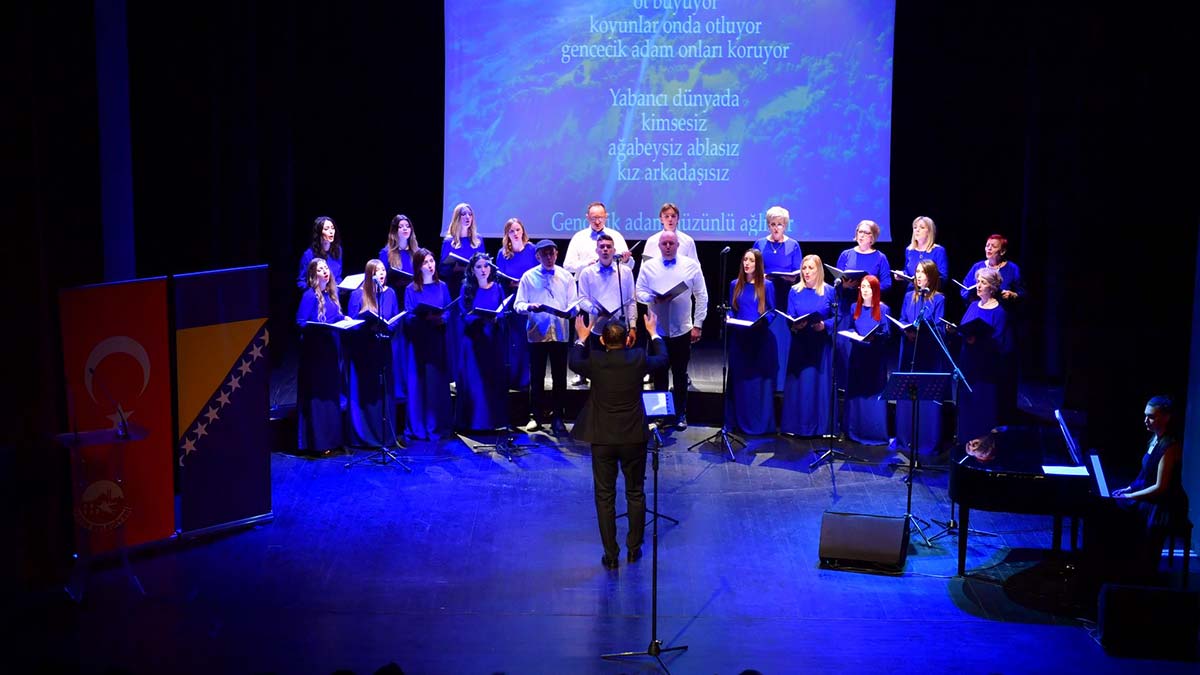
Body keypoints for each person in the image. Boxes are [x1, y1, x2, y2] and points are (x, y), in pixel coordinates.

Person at [568, 310, 668, 569]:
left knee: (604, 495)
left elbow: (574, 362)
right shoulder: (637, 358)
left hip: (602, 438)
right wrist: (653, 332)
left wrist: (581, 337)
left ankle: (610, 555)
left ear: (602, 341)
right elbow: (663, 359)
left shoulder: (596, 361)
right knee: (635, 492)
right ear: (628, 341)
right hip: (633, 437)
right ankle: (634, 549)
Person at [1107, 395, 1190, 580]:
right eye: (1146, 415)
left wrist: (1132, 497)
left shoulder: (1171, 447)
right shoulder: (1153, 439)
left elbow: (1161, 488)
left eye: (1151, 416)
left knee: (1128, 511)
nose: (1146, 420)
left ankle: (1140, 570)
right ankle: (1118, 562)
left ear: (1166, 417)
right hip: (1152, 497)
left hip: (1165, 503)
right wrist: (1129, 489)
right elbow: (1145, 475)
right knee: (1114, 505)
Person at [635, 230, 708, 430]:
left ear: (677, 245)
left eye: (671, 243)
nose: (668, 246)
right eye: (664, 243)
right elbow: (639, 291)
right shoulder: (649, 266)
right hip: (657, 330)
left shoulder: (690, 266)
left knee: (679, 373)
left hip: (682, 328)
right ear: (659, 245)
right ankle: (660, 415)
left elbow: (701, 295)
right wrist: (651, 297)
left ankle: (680, 414)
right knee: (659, 374)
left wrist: (698, 324)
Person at [514, 239, 578, 435]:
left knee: (560, 377)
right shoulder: (528, 277)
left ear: (557, 254)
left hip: (559, 333)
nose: (549, 257)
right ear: (538, 256)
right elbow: (518, 304)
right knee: (537, 377)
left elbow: (574, 304)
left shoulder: (566, 276)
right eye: (545, 254)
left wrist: (570, 312)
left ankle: (558, 416)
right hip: (537, 333)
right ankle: (536, 416)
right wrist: (529, 307)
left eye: (552, 253)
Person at [892, 260, 947, 455]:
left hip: (928, 353)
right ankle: (904, 439)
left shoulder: (939, 299)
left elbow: (940, 327)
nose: (919, 276)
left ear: (931, 276)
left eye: (923, 272)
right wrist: (906, 330)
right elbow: (902, 320)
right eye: (917, 272)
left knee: (925, 397)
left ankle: (925, 441)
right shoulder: (909, 296)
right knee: (907, 396)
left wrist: (923, 331)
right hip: (909, 351)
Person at [344, 259, 401, 448]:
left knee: (383, 392)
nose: (382, 274)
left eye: (383, 270)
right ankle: (365, 435)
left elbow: (394, 319)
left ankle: (384, 436)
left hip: (382, 349)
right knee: (366, 393)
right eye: (377, 271)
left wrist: (387, 327)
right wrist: (368, 325)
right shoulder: (358, 295)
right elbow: (351, 324)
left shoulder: (390, 293)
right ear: (370, 275)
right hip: (364, 351)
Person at [953, 268, 1013, 443]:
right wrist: (956, 331)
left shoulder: (1000, 312)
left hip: (985, 369)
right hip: (967, 365)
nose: (978, 286)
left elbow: (999, 341)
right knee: (966, 409)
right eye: (978, 282)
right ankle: (964, 444)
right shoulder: (972, 305)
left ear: (992, 287)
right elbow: (963, 329)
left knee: (982, 409)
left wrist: (976, 340)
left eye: (983, 283)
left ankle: (982, 447)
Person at [724, 249, 777, 435]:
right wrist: (729, 317)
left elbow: (771, 312)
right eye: (745, 259)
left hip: (759, 340)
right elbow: (732, 308)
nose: (747, 263)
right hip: (740, 340)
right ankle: (737, 421)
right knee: (739, 381)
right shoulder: (734, 284)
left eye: (751, 261)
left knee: (756, 383)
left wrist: (762, 321)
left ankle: (758, 423)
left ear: (758, 264)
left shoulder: (767, 286)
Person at [295, 258, 345, 455]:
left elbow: (336, 317)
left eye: (326, 267)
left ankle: (333, 439)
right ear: (313, 274)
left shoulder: (332, 294)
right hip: (315, 354)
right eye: (320, 268)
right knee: (318, 399)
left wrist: (345, 319)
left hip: (331, 352)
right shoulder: (309, 296)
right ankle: (319, 443)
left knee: (330, 396)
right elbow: (300, 322)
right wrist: (317, 328)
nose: (325, 271)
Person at [780, 255, 834, 437]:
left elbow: (836, 317)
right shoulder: (794, 291)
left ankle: (821, 428)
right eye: (804, 268)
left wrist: (824, 326)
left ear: (818, 270)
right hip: (801, 344)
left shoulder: (829, 291)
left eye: (810, 268)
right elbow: (790, 314)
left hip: (820, 346)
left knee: (818, 385)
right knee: (800, 385)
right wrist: (795, 325)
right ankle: (796, 427)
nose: (806, 272)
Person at [403, 248, 454, 440]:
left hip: (437, 339)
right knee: (419, 384)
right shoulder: (411, 289)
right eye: (426, 262)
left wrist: (442, 319)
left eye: (432, 261)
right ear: (418, 266)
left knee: (436, 385)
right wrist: (425, 317)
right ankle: (419, 426)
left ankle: (438, 425)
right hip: (419, 342)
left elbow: (449, 310)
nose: (430, 265)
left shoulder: (443, 286)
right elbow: (408, 317)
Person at [455, 253, 509, 431]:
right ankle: (475, 423)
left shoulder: (498, 287)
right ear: (472, 270)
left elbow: (502, 310)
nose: (483, 270)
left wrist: (497, 318)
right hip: (473, 340)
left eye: (486, 266)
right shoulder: (467, 288)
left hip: (492, 339)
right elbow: (463, 313)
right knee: (475, 381)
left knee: (492, 378)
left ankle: (495, 421)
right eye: (479, 267)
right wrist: (476, 318)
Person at [754, 206, 804, 392]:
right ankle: (765, 379)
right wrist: (763, 276)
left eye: (780, 225)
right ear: (768, 225)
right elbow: (752, 267)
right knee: (765, 337)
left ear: (786, 226)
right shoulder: (759, 244)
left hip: (785, 295)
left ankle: (781, 382)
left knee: (783, 338)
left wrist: (791, 277)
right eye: (773, 224)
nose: (776, 228)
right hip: (765, 296)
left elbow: (799, 272)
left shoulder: (793, 245)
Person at [841, 274, 892, 445]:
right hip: (858, 356)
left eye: (868, 287)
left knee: (873, 394)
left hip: (875, 359)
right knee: (856, 393)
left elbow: (887, 333)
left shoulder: (883, 309)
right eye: (862, 287)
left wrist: (875, 338)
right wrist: (853, 336)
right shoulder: (854, 306)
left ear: (875, 290)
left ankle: (874, 433)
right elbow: (849, 328)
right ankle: (854, 430)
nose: (864, 290)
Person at [441, 203, 487, 379]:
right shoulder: (449, 241)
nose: (468, 217)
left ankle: (474, 371)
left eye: (470, 214)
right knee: (457, 333)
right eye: (463, 214)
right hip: (455, 290)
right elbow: (442, 269)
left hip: (474, 291)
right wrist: (455, 269)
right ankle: (456, 373)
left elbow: (483, 266)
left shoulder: (478, 240)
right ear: (457, 218)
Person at [496, 217, 538, 390]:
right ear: (507, 234)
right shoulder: (503, 253)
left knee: (527, 340)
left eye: (518, 230)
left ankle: (526, 380)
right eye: (511, 231)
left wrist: (524, 282)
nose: (515, 233)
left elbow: (539, 274)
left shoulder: (532, 249)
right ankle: (513, 378)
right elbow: (498, 278)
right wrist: (510, 283)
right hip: (511, 299)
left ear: (523, 231)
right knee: (514, 342)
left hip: (529, 299)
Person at [380, 214, 419, 401]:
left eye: (407, 226)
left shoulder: (416, 252)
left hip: (412, 299)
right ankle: (397, 387)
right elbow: (381, 279)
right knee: (397, 344)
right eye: (401, 226)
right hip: (395, 299)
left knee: (411, 344)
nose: (405, 229)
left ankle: (410, 384)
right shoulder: (386, 253)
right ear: (395, 231)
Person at [577, 233, 637, 349]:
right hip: (597, 327)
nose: (605, 249)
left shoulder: (625, 271)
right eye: (602, 247)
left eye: (609, 247)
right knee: (597, 365)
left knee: (621, 365)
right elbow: (582, 299)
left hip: (621, 329)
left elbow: (631, 301)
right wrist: (595, 310)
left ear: (614, 251)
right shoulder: (587, 273)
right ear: (596, 250)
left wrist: (633, 327)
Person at [563, 201, 634, 276]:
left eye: (600, 218)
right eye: (593, 218)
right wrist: (586, 264)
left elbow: (629, 267)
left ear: (606, 216)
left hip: (612, 282)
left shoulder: (616, 236)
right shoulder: (578, 237)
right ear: (587, 217)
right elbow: (567, 266)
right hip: (586, 282)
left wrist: (626, 261)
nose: (597, 222)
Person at [959, 233, 1023, 305]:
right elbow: (964, 289)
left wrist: (1013, 295)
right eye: (987, 246)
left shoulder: (1013, 268)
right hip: (978, 308)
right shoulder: (977, 266)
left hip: (1001, 310)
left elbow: (1022, 293)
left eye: (993, 246)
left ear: (1002, 251)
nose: (989, 248)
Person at [894, 216, 949, 293]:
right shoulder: (909, 250)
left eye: (922, 228)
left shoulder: (938, 251)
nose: (917, 230)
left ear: (929, 232)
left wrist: (927, 282)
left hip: (931, 294)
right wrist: (902, 275)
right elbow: (908, 272)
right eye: (915, 227)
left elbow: (943, 278)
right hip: (912, 293)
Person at [296, 216, 343, 289]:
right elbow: (301, 282)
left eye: (332, 228)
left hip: (334, 295)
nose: (331, 231)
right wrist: (317, 289)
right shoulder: (308, 255)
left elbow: (338, 277)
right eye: (326, 229)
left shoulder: (338, 250)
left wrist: (339, 287)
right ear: (319, 233)